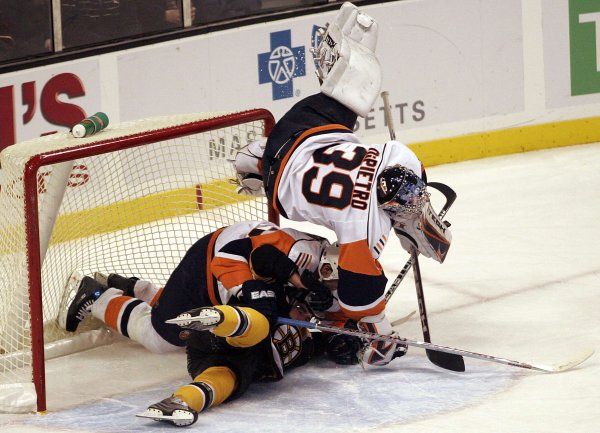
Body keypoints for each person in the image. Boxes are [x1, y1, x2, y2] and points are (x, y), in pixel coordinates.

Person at [233, 2, 452, 366]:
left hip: (299, 132)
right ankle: (254, 163)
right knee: (330, 271)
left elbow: (415, 179)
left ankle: (348, 46)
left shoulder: (397, 157)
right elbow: (357, 296)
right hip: (281, 175)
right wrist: (383, 336)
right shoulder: (368, 217)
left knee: (350, 96)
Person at [61, 220, 363, 426]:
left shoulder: (322, 267)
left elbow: (331, 316)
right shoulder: (300, 257)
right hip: (213, 263)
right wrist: (266, 290)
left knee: (244, 313)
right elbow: (231, 259)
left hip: (233, 278)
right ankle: (99, 296)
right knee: (160, 336)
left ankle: (140, 289)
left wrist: (347, 335)